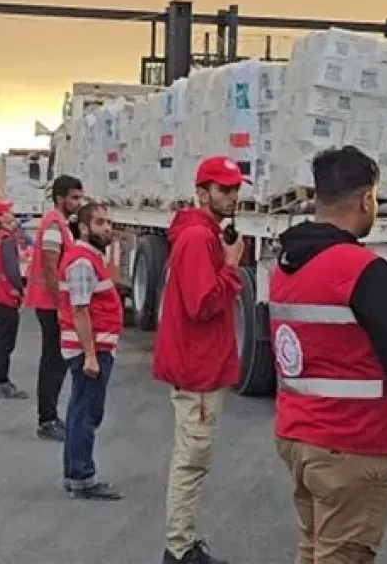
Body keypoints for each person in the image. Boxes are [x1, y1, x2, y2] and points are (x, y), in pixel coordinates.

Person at [270, 146, 387, 564]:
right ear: (365, 200)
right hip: (351, 441)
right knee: (342, 556)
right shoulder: (362, 270)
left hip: (299, 436)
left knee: (314, 552)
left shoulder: (284, 266)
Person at [154, 155, 245, 564]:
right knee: (191, 462)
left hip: (201, 364)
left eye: (235, 188)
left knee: (193, 459)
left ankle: (183, 543)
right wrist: (231, 266)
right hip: (198, 369)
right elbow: (202, 303)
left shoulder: (205, 234)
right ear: (202, 192)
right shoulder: (197, 238)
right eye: (223, 189)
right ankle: (179, 549)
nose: (232, 196)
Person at [58, 202, 124, 501]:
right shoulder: (83, 262)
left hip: (94, 347)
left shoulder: (89, 259)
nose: (107, 228)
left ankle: (75, 473)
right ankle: (82, 477)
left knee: (81, 411)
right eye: (99, 223)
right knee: (86, 414)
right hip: (90, 349)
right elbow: (80, 310)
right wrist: (91, 355)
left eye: (108, 222)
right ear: (83, 228)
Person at [24, 175, 85, 441]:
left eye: (80, 197)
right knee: (53, 360)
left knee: (55, 360)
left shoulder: (59, 222)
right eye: (74, 197)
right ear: (60, 198)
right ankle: (47, 419)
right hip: (50, 303)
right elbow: (50, 267)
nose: (78, 202)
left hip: (51, 301)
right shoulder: (53, 224)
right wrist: (61, 304)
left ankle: (49, 416)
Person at [0, 199, 29, 399]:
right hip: (6, 294)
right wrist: (21, 288)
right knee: (6, 340)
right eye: (8, 210)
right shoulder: (7, 239)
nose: (12, 212)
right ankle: (3, 381)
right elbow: (12, 269)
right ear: (0, 217)